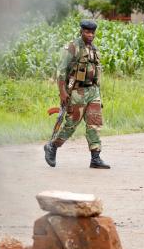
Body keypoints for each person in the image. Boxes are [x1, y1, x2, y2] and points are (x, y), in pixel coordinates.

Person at [44, 20, 110, 169]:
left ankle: (95, 157)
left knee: (95, 123)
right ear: (81, 31)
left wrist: (99, 95)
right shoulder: (73, 47)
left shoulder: (94, 49)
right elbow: (61, 71)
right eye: (87, 32)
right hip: (77, 92)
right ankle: (52, 146)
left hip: (93, 91)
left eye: (92, 32)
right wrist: (62, 92)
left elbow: (96, 73)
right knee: (71, 124)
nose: (90, 35)